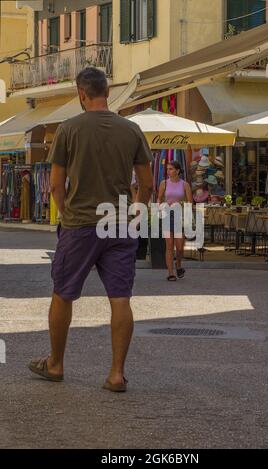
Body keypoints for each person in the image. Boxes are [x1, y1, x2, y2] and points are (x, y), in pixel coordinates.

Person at [28, 67, 153, 392]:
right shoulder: (132, 129)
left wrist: (68, 214)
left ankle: (55, 364)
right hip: (119, 222)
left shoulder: (69, 129)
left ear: (82, 95)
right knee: (120, 298)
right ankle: (116, 374)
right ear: (107, 92)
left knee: (63, 294)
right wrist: (135, 214)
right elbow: (147, 184)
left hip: (80, 223)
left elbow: (55, 184)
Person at [157, 161, 193, 281]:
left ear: (177, 171)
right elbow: (159, 198)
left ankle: (178, 264)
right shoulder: (164, 183)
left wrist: (183, 207)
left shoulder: (185, 185)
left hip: (180, 216)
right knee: (169, 245)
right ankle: (170, 273)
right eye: (167, 169)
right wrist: (160, 206)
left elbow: (190, 202)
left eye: (171, 169)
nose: (168, 171)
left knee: (180, 247)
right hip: (167, 215)